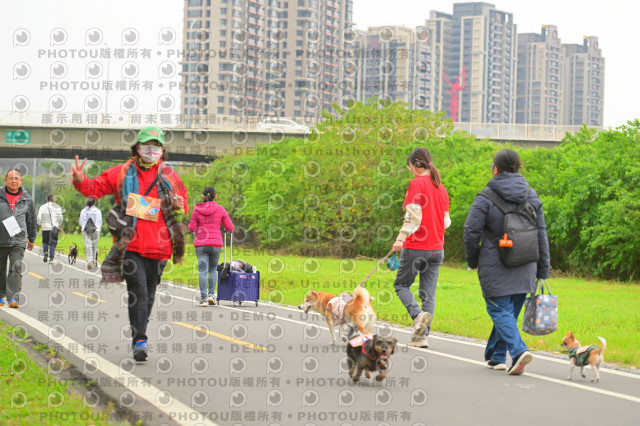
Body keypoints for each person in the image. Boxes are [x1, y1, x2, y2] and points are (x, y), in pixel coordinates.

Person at [71, 126, 188, 362]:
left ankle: (139, 334)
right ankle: (140, 340)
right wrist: (80, 179)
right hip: (131, 245)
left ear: (162, 150)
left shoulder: (170, 176)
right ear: (137, 147)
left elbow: (182, 205)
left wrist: (179, 204)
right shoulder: (123, 172)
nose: (151, 150)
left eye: (156, 146)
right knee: (139, 292)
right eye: (146, 145)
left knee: (150, 294)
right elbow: (96, 187)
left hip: (160, 247)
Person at [463, 149, 550, 375]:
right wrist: (543, 269)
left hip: (496, 265)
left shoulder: (485, 197)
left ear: (495, 170)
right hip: (527, 264)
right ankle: (497, 356)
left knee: (499, 310)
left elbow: (471, 231)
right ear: (518, 167)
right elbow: (541, 233)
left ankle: (519, 351)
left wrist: (473, 259)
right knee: (507, 314)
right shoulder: (531, 195)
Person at [392, 147, 450, 348]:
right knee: (428, 294)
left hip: (416, 246)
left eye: (409, 166)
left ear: (414, 165)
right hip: (437, 248)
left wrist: (400, 238)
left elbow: (413, 217)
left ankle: (417, 316)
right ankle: (421, 337)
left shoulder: (416, 184)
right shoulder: (441, 188)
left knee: (401, 285)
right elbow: (446, 222)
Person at [188, 186, 234, 307]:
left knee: (203, 271)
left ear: (202, 196)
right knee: (213, 269)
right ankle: (211, 295)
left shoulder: (196, 209)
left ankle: (203, 299)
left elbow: (191, 228)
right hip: (215, 244)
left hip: (201, 244)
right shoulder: (220, 209)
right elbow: (230, 228)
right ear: (215, 196)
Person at [0, 169, 37, 308]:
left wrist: (32, 238)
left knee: (16, 268)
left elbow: (31, 220)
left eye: (16, 178)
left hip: (18, 240)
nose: (14, 180)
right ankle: (0, 296)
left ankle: (13, 298)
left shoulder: (27, 199)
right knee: (0, 269)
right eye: (11, 178)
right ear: (5, 180)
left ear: (20, 181)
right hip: (1, 238)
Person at [37, 193, 64, 263]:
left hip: (45, 228)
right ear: (53, 199)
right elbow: (60, 217)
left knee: (45, 242)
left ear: (46, 199)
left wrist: (40, 224)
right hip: (55, 228)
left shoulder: (42, 207)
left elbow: (39, 217)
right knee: (53, 243)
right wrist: (59, 223)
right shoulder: (57, 207)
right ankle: (51, 259)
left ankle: (45, 252)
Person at [79, 198, 102, 269]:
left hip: (86, 230)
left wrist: (84, 226)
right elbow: (100, 221)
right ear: (94, 203)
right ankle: (94, 261)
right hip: (96, 230)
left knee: (88, 245)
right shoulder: (98, 211)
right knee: (94, 246)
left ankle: (89, 260)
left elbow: (80, 222)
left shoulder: (83, 211)